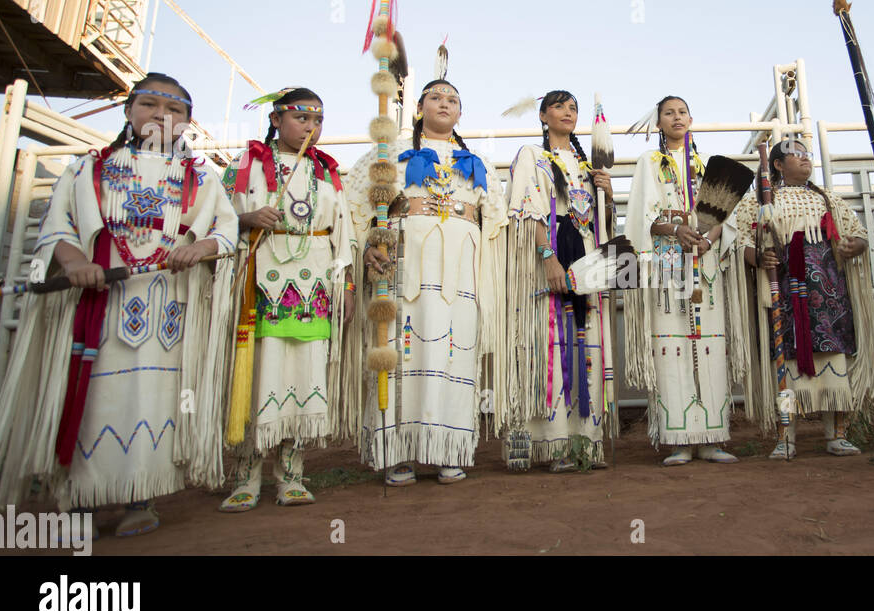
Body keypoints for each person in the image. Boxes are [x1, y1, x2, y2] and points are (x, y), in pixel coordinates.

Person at [0, 73, 239, 535]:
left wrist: (198, 248)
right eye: (149, 106)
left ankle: (139, 499)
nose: (162, 117)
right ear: (128, 112)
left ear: (188, 122)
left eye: (175, 111)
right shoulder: (90, 168)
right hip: (99, 308)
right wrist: (76, 261)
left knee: (156, 401)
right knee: (93, 399)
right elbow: (59, 227)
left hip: (167, 312)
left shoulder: (200, 176)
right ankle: (79, 504)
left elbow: (225, 231)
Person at [344, 79, 508, 485]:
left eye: (453, 99)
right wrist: (369, 247)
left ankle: (445, 450)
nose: (445, 103)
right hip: (405, 266)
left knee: (454, 354)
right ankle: (396, 453)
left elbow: (497, 221)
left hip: (461, 269)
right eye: (435, 97)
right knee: (403, 351)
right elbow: (355, 207)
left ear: (460, 113)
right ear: (419, 108)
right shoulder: (389, 154)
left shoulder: (478, 160)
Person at [218, 87, 358, 511]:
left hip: (313, 285)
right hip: (261, 283)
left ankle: (292, 474)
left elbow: (343, 233)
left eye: (318, 120)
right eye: (301, 118)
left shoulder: (327, 172)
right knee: (259, 372)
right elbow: (213, 216)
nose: (310, 127)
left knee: (303, 375)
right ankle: (245, 477)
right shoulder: (245, 165)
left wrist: (346, 285)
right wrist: (244, 218)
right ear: (276, 119)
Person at [735, 139, 874, 459]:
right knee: (785, 363)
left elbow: (858, 235)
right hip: (786, 293)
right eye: (796, 154)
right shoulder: (759, 200)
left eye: (807, 154)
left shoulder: (828, 198)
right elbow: (742, 243)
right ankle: (786, 437)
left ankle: (838, 435)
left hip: (829, 295)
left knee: (833, 359)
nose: (804, 159)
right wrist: (758, 257)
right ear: (777, 164)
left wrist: (851, 247)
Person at [623, 96, 748, 466]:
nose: (676, 117)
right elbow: (640, 216)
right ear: (657, 123)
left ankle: (711, 437)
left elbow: (729, 218)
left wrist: (708, 238)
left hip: (706, 265)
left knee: (709, 347)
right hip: (667, 263)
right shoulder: (649, 162)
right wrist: (674, 229)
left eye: (681, 112)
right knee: (672, 347)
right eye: (668, 113)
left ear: (691, 119)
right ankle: (678, 439)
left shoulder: (709, 166)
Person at [503, 91, 617, 472]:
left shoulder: (587, 166)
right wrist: (547, 258)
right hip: (550, 257)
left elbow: (601, 223)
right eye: (559, 107)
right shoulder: (531, 156)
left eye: (573, 109)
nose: (567, 113)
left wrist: (608, 193)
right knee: (551, 348)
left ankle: (588, 445)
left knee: (588, 347)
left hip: (587, 260)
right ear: (542, 115)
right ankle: (553, 446)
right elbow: (529, 212)